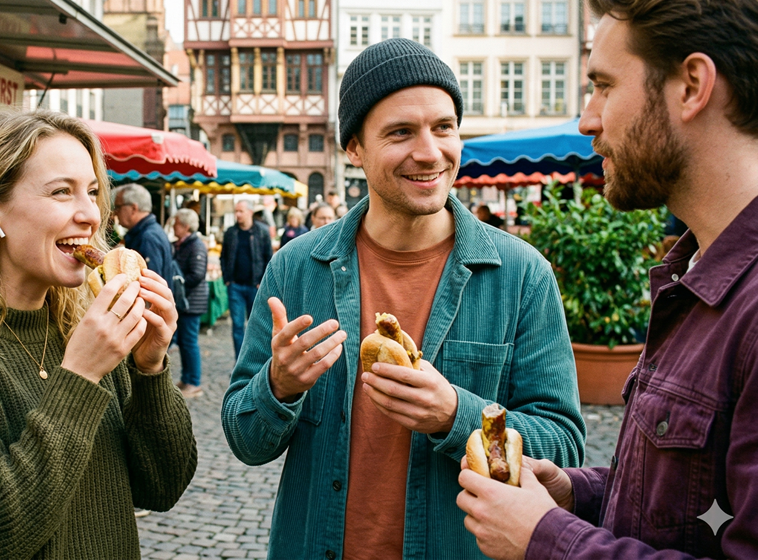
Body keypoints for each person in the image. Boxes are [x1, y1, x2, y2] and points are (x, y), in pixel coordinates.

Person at [221, 38, 584, 559]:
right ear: (354, 148)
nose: (430, 151)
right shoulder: (297, 269)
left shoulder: (522, 275)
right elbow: (245, 438)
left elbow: (564, 447)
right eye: (400, 132)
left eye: (443, 127)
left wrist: (454, 413)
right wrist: (278, 385)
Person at [457, 1, 758, 558]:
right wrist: (579, 493)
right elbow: (697, 507)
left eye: (603, 85)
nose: (587, 119)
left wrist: (544, 538)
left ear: (692, 86)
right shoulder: (695, 274)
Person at [0, 109, 197, 559]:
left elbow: (162, 486)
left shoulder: (82, 326)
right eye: (61, 192)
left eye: (91, 192)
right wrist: (80, 376)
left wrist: (149, 368)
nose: (90, 214)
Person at [220, 200, 272, 359]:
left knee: (255, 326)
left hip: (254, 286)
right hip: (235, 286)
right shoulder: (231, 232)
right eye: (236, 211)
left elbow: (268, 259)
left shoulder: (262, 232)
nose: (238, 214)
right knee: (237, 326)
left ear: (250, 212)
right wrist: (227, 278)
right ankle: (239, 362)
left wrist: (262, 282)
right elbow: (224, 256)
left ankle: (253, 361)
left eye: (241, 211)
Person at [171, 209, 208, 398]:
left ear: (185, 226)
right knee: (185, 343)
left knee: (189, 342)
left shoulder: (196, 246)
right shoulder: (181, 245)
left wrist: (179, 284)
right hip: (185, 302)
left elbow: (197, 274)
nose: (173, 226)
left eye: (176, 223)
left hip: (192, 301)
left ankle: (194, 381)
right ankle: (186, 378)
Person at [113, 183, 174, 287]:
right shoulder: (150, 231)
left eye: (118, 207)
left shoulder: (148, 237)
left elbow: (150, 284)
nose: (115, 213)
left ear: (133, 208)